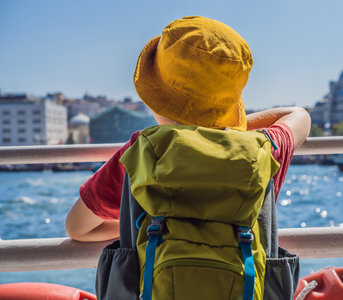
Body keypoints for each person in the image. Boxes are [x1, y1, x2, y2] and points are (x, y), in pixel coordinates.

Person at [65, 16, 310, 300]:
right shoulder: (264, 149)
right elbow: (299, 116)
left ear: (155, 97)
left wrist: (139, 226)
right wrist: (233, 131)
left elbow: (77, 227)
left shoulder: (140, 151)